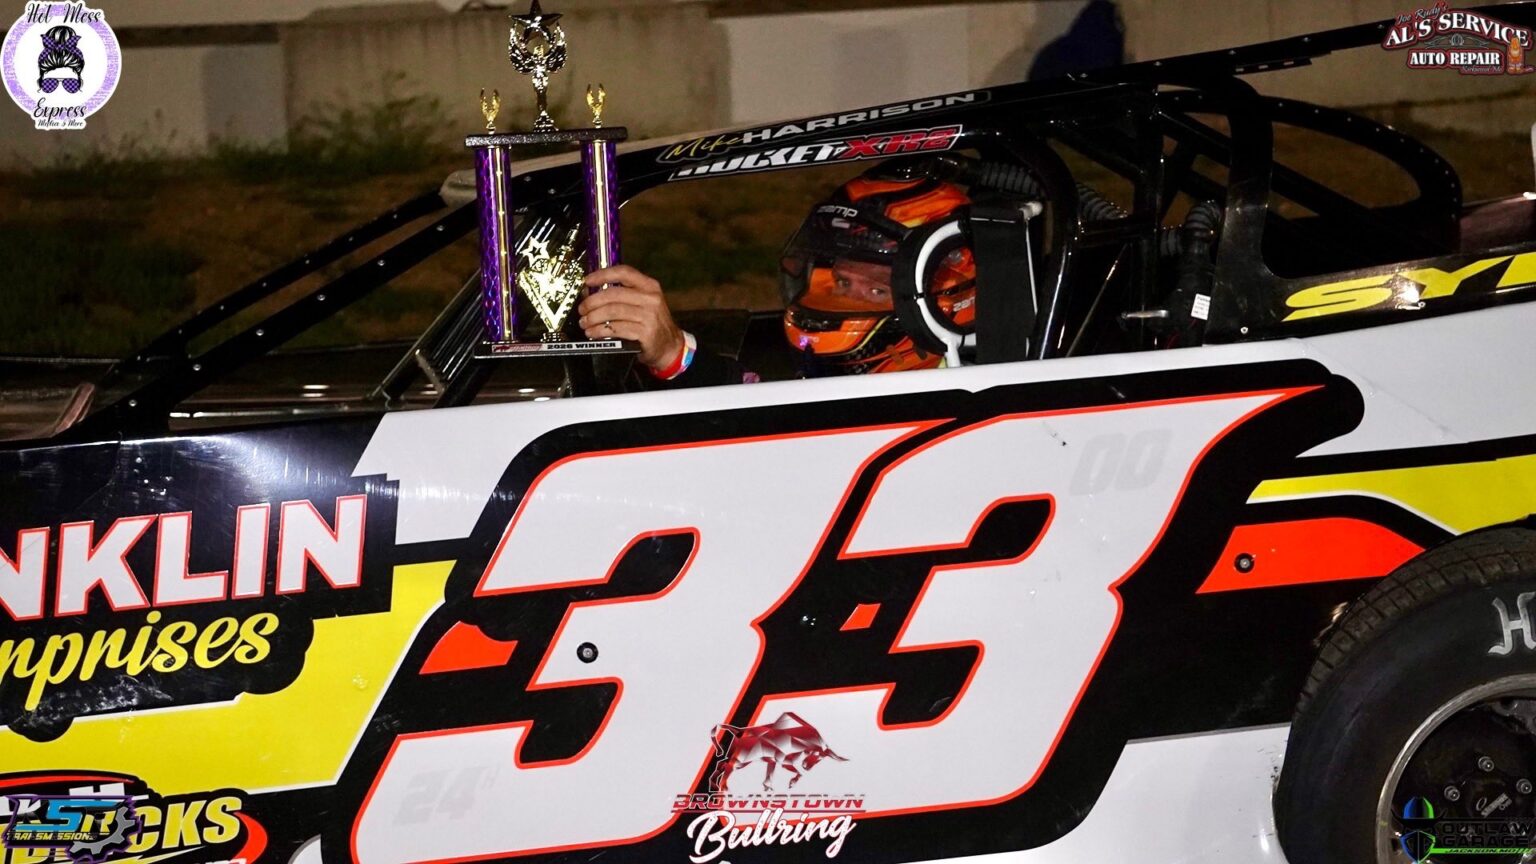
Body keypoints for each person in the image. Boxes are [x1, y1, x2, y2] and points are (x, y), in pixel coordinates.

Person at [576, 165, 977, 387]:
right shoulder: (835, 388)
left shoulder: (984, 406)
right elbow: (756, 409)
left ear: (950, 298)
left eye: (875, 289)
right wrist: (672, 353)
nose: (843, 300)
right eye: (842, 282)